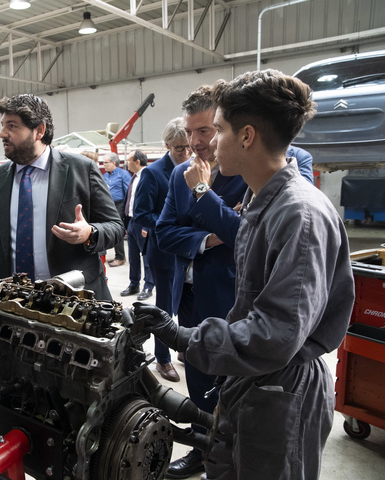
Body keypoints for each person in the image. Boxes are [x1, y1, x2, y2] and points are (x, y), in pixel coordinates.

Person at [138, 69, 354, 480]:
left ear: (248, 136)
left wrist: (183, 336)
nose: (207, 142)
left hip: (280, 390)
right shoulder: (263, 200)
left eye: (217, 129)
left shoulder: (299, 215)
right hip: (253, 382)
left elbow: (276, 335)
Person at [0, 93, 123, 300]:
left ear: (39, 130)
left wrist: (90, 233)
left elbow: (115, 227)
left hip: (73, 300)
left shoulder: (80, 169)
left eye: (12, 126)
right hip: (13, 301)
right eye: (2, 125)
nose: (2, 134)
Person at [154, 85, 248, 479]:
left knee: (233, 381)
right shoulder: (179, 173)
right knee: (197, 374)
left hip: (232, 297)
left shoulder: (246, 172)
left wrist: (203, 193)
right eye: (191, 132)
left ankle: (234, 454)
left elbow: (245, 235)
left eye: (205, 131)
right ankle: (201, 447)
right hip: (188, 293)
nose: (195, 142)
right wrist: (208, 238)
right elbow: (164, 232)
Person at [132, 118, 192, 383]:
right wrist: (170, 227)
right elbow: (141, 214)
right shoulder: (153, 173)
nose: (186, 153)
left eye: (189, 147)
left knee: (189, 303)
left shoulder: (196, 167)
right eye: (180, 148)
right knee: (165, 308)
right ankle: (163, 358)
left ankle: (185, 349)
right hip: (164, 251)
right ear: (167, 145)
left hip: (191, 250)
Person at [121, 150, 155, 300]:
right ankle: (134, 284)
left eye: (129, 160)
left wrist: (147, 226)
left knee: (146, 256)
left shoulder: (148, 177)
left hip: (143, 223)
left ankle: (148, 286)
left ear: (137, 162)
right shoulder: (133, 177)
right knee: (133, 255)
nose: (126, 163)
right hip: (132, 221)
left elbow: (151, 202)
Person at [102, 152, 131, 267]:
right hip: (108, 205)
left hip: (119, 205)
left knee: (117, 230)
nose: (104, 165)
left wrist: (126, 209)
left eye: (106, 162)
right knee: (110, 230)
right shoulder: (105, 176)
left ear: (114, 163)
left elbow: (128, 191)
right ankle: (117, 255)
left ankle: (120, 257)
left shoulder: (123, 174)